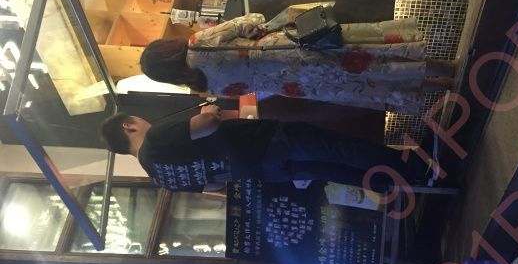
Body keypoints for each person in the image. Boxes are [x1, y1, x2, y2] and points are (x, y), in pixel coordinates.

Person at [139, 11, 456, 115]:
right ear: (166, 48)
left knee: (370, 82)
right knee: (372, 55)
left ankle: (442, 86)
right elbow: (250, 22)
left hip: (299, 85)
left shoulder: (206, 86)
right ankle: (448, 68)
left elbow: (251, 88)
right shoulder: (199, 43)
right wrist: (256, 30)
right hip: (293, 50)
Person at [100, 103, 432, 192]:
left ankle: (404, 182)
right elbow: (208, 124)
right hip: (265, 143)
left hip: (264, 171)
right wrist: (208, 109)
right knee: (340, 149)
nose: (143, 120)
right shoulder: (156, 138)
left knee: (337, 170)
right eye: (137, 119)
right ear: (128, 127)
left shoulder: (160, 179)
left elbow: (214, 185)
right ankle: (419, 170)